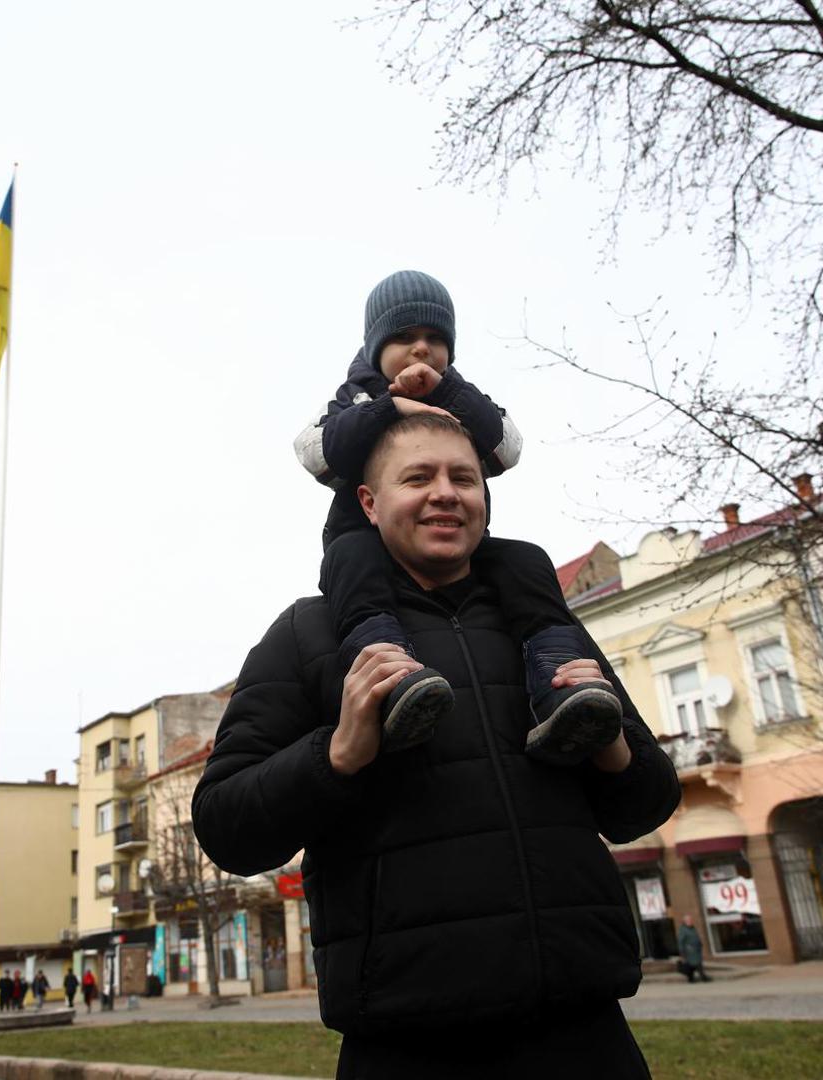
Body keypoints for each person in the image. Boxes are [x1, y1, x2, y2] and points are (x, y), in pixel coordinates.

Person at [195, 414, 681, 1078]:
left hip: (585, 1029)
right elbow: (226, 826)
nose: (446, 494)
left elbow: (644, 806)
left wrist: (612, 748)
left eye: (464, 478)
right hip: (406, 1042)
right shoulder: (307, 636)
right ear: (368, 502)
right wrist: (336, 754)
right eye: (417, 477)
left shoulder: (546, 633)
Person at [295, 270, 623, 765]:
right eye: (403, 338)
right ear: (373, 348)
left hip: (462, 546)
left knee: (525, 561)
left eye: (434, 339)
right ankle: (392, 677)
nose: (420, 350)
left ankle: (557, 683)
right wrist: (389, 406)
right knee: (350, 558)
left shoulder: (462, 395)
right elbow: (315, 454)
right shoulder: (355, 398)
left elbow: (507, 448)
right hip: (366, 542)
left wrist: (447, 394)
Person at [677, 914, 712, 983]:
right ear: (685, 921)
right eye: (689, 920)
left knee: (692, 965)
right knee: (697, 964)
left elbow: (696, 937)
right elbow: (680, 942)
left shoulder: (692, 928)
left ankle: (691, 978)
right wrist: (682, 952)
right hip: (689, 951)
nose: (691, 921)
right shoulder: (683, 930)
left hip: (696, 950)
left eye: (691, 920)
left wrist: (700, 944)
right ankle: (703, 977)